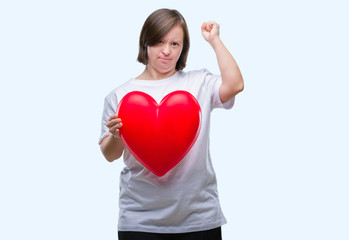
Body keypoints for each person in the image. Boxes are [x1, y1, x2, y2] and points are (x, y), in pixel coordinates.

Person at [99, 8, 244, 240]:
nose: (167, 51)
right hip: (139, 221)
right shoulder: (120, 95)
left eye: (175, 44)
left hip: (199, 218)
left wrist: (215, 41)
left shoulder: (199, 83)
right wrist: (116, 136)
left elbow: (235, 84)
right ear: (145, 42)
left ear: (183, 49)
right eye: (159, 42)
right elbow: (109, 155)